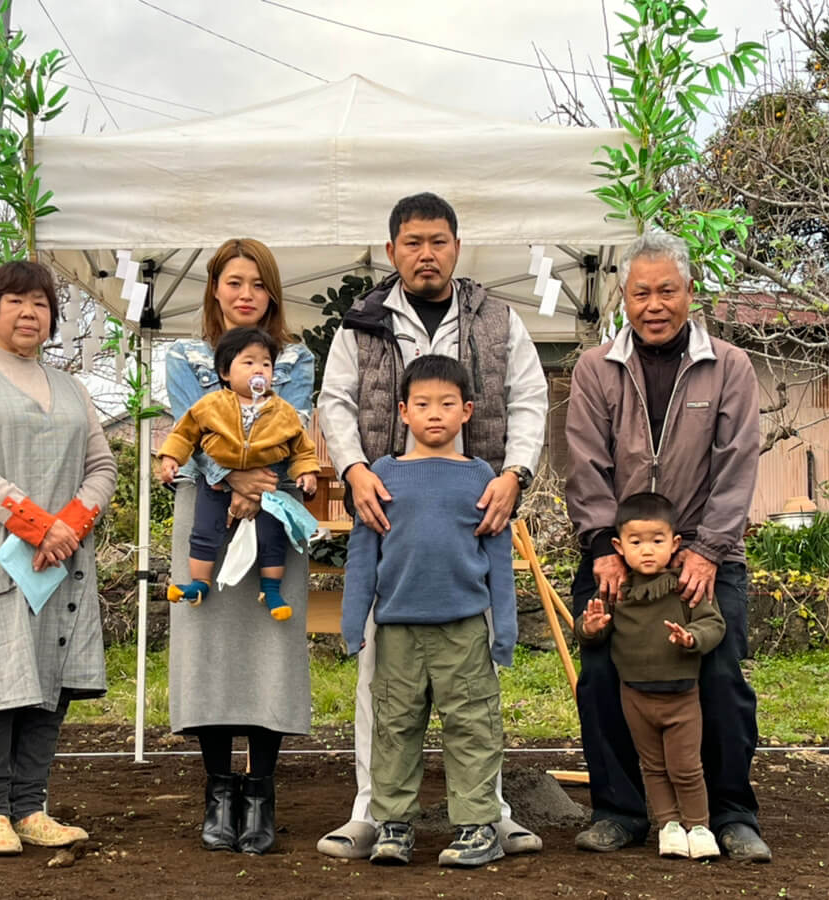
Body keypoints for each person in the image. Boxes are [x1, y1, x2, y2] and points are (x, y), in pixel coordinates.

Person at [317, 192, 548, 858]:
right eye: (412, 242)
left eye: (438, 241)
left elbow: (529, 400)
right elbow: (334, 404)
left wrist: (515, 475)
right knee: (382, 690)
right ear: (392, 251)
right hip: (386, 508)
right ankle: (374, 814)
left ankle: (489, 814)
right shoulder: (360, 324)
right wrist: (356, 471)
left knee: (475, 691)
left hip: (473, 509)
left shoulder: (499, 320)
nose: (426, 253)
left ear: (457, 246)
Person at [564, 231, 771, 862]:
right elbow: (583, 462)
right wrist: (604, 546)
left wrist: (706, 550)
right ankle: (621, 810)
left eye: (668, 291)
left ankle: (731, 812)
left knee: (718, 677)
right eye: (640, 292)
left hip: (707, 556)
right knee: (602, 675)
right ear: (623, 299)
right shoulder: (596, 367)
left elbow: (736, 465)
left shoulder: (728, 366)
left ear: (689, 293)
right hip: (616, 556)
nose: (654, 304)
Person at [0, 260, 117, 855]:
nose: (29, 312)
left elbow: (102, 467)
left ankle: (30, 806)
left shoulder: (72, 388)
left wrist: (68, 525)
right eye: (15, 301)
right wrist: (36, 525)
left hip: (60, 560)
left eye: (40, 302)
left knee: (49, 679)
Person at [160, 238, 315, 855]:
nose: (245, 294)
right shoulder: (183, 354)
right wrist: (234, 481)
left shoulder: (296, 359)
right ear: (214, 289)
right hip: (204, 517)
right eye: (234, 282)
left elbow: (290, 429)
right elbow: (186, 431)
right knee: (212, 650)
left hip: (274, 514)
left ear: (271, 294)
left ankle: (262, 793)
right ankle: (219, 791)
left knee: (267, 646)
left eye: (257, 283)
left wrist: (255, 487)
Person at [341, 354, 517, 868]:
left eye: (446, 404)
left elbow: (499, 560)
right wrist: (355, 625)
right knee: (394, 727)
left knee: (473, 726)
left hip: (463, 628)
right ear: (402, 411)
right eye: (422, 404)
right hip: (396, 628)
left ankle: (477, 827)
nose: (434, 414)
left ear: (467, 412)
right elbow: (362, 554)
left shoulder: (481, 477)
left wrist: (503, 630)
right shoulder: (380, 476)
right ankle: (393, 825)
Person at [574, 491, 725, 860]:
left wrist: (692, 639)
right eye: (636, 542)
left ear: (674, 543)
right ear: (617, 545)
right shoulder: (615, 590)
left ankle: (699, 825)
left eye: (657, 541)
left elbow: (714, 623)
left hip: (681, 695)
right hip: (635, 695)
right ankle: (669, 825)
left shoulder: (685, 586)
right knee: (654, 768)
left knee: (686, 767)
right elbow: (592, 630)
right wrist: (591, 627)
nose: (646, 551)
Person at [159, 326, 319, 620]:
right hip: (216, 482)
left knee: (273, 537)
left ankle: (271, 589)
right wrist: (171, 457)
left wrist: (307, 471)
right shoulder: (212, 405)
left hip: (269, 487)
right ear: (225, 373)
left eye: (266, 363)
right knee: (205, 531)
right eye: (248, 362)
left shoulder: (281, 410)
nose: (259, 369)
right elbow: (184, 433)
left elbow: (301, 446)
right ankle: (199, 583)